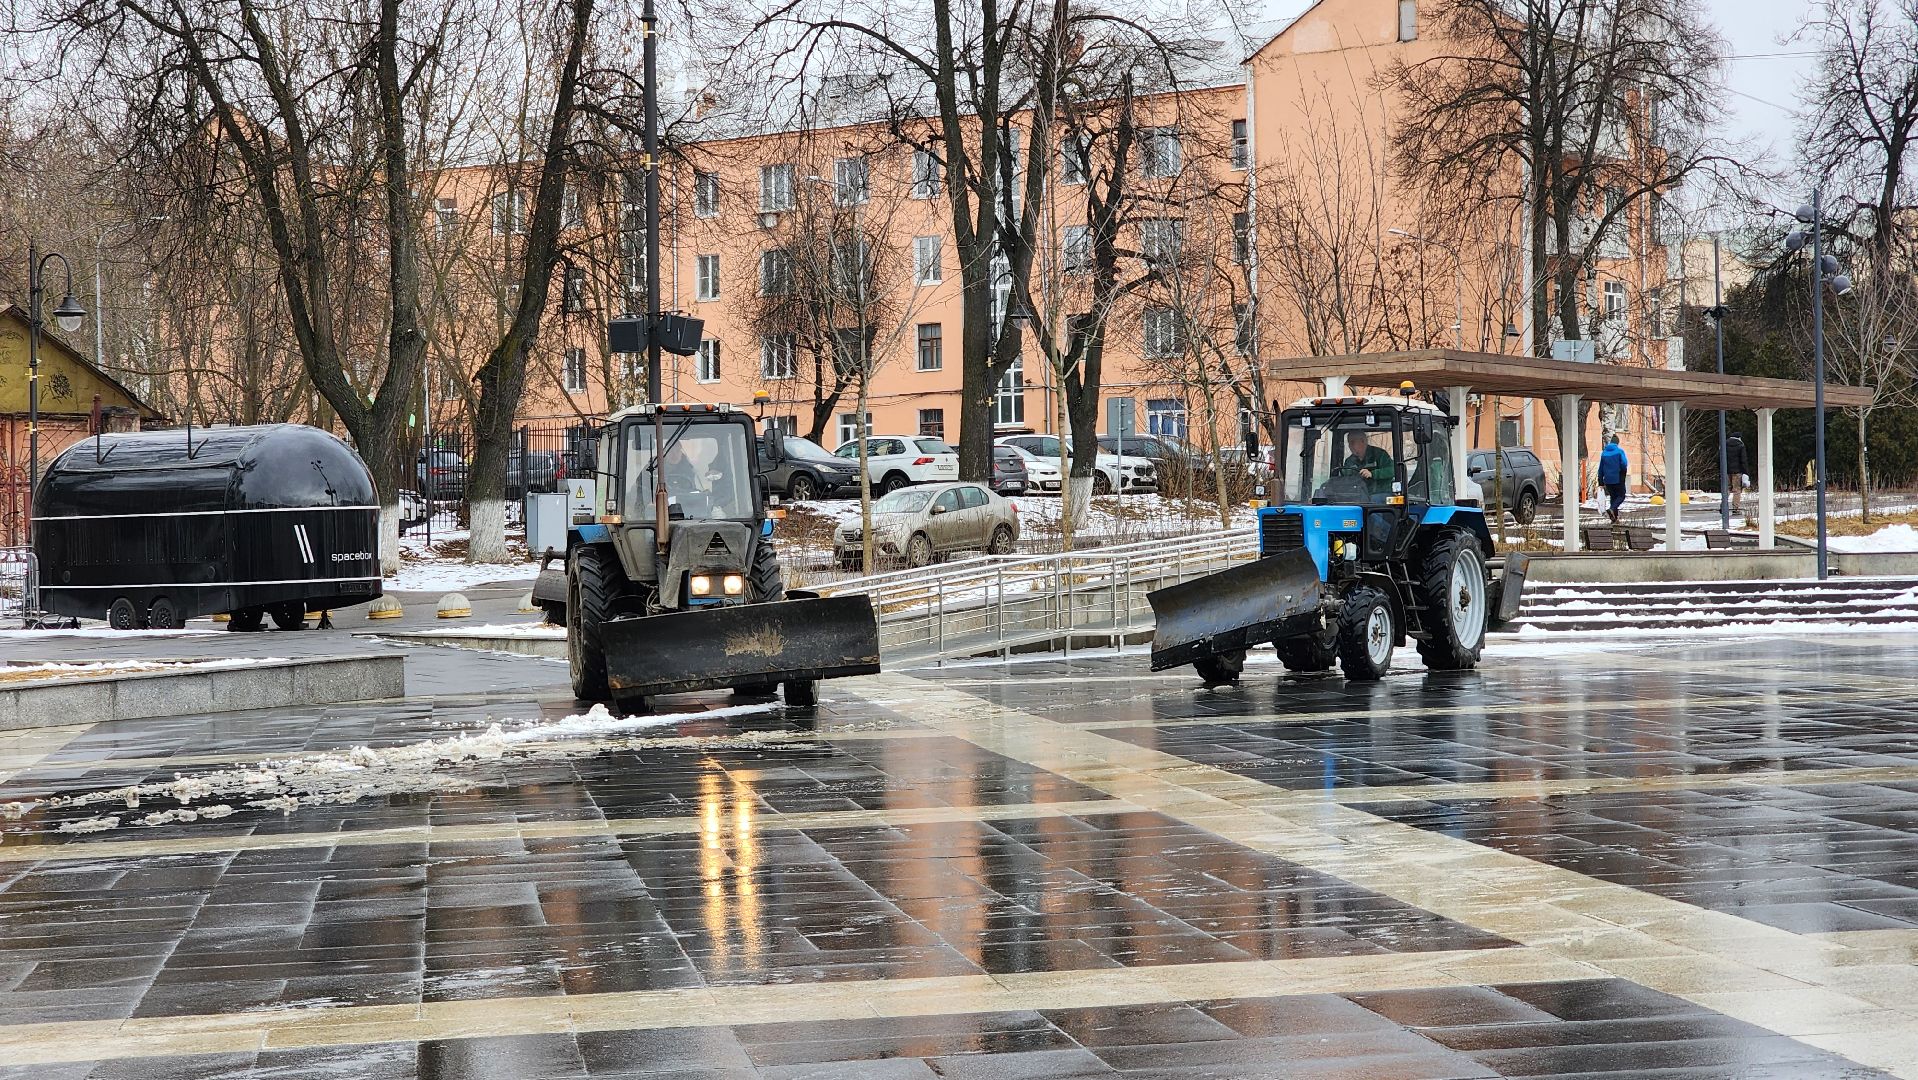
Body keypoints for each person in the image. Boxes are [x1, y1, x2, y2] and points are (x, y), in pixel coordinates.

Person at [1338, 431, 1397, 500]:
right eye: (1349, 443)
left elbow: (1393, 470)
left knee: (1374, 499)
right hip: (1358, 495)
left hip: (1380, 493)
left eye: (1352, 442)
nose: (1350, 446)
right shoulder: (1349, 461)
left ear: (1363, 441)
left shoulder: (1379, 455)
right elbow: (1344, 478)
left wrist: (1373, 474)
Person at [1598, 435, 1629, 525]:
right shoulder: (1619, 451)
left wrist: (1600, 481)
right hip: (1618, 478)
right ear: (1617, 442)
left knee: (1613, 497)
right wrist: (1623, 473)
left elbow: (1600, 469)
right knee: (1621, 496)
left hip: (1607, 480)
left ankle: (1614, 519)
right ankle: (1612, 509)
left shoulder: (1604, 453)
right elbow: (1624, 463)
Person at [1725, 433, 1750, 511]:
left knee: (1726, 488)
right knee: (1737, 489)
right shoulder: (1741, 445)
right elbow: (1743, 460)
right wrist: (1745, 471)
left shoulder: (1724, 444)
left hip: (1726, 470)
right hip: (1737, 471)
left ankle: (1724, 505)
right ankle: (1736, 507)